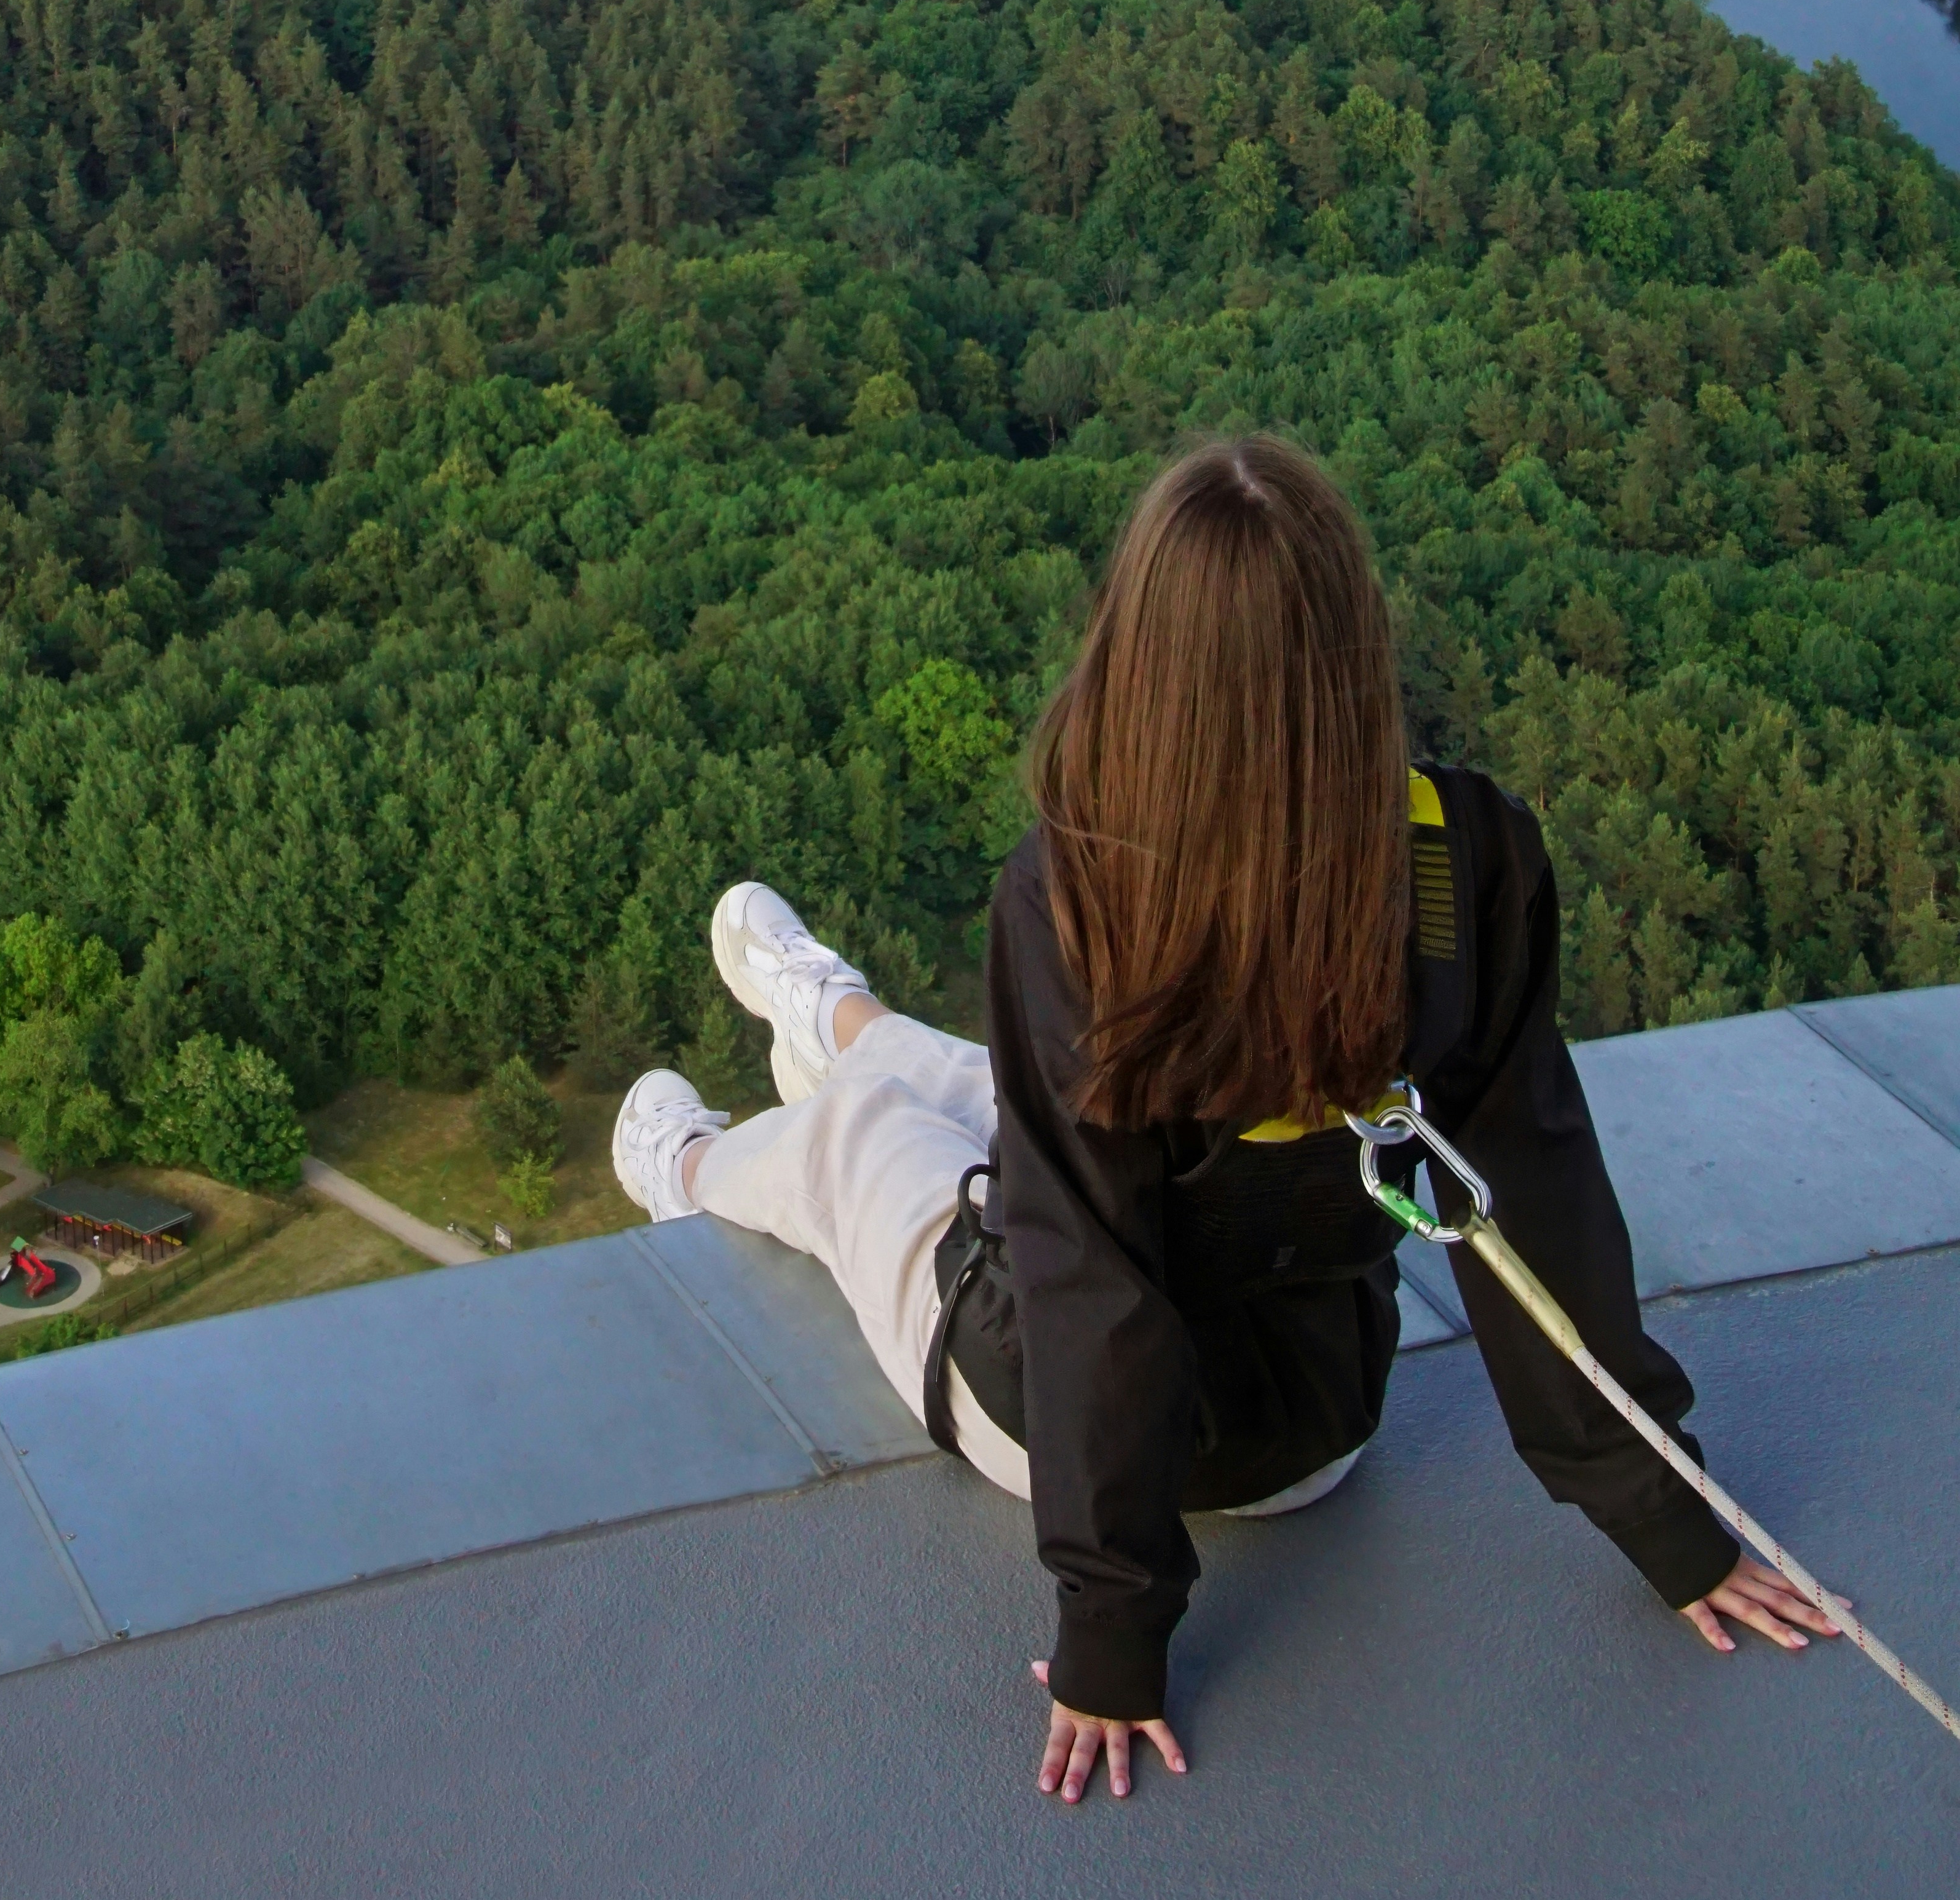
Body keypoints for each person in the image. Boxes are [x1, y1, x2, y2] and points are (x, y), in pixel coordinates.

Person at [611, 432, 1836, 1804]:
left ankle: (692, 1165)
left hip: (1076, 1435)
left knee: (869, 1144)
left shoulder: (1075, 898)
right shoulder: (1466, 858)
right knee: (1015, 1095)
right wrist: (1671, 1523)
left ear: (1140, 660)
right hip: (1320, 1416)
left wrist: (1111, 1634)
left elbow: (1087, 1285)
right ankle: (840, 1017)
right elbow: (1532, 1204)